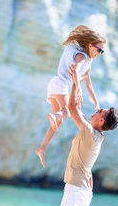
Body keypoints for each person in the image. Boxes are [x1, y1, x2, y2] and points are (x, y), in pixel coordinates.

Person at [56, 64, 118, 206]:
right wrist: (81, 81)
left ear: (101, 120)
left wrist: (75, 79)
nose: (96, 110)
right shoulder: (95, 134)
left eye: (99, 112)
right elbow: (78, 109)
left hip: (76, 189)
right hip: (83, 190)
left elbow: (73, 106)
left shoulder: (90, 133)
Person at [35, 25, 106, 167]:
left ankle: (42, 148)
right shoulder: (82, 57)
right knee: (69, 112)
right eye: (99, 50)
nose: (99, 53)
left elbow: (89, 85)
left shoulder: (88, 62)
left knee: (58, 122)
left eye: (102, 52)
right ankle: (55, 116)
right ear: (90, 46)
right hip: (61, 85)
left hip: (54, 85)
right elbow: (75, 70)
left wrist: (96, 102)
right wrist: (77, 89)